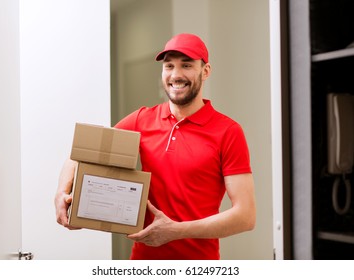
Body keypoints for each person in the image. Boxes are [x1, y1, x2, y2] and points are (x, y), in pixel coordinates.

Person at [55, 33, 256, 260]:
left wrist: (175, 231)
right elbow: (81, 154)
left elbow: (245, 216)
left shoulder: (228, 131)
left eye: (187, 65)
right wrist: (62, 192)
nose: (176, 74)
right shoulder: (142, 120)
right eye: (169, 66)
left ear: (205, 71)